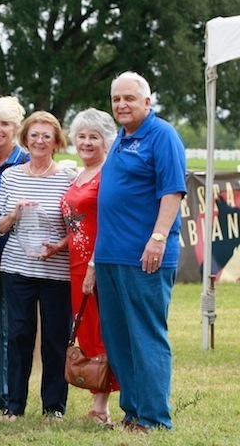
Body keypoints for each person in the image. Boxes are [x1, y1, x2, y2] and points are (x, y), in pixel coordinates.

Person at [93, 72, 186, 432]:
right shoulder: (121, 139)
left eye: (130, 98)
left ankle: (154, 418)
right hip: (110, 256)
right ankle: (132, 412)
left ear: (148, 102)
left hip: (145, 255)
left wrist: (159, 237)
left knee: (146, 335)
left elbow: (173, 191)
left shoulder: (162, 135)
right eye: (116, 99)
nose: (121, 105)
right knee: (118, 339)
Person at [0, 110, 75, 422]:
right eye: (34, 135)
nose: (39, 141)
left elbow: (77, 228)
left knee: (55, 338)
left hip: (56, 271)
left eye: (46, 136)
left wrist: (60, 247)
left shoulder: (69, 178)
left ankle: (54, 407)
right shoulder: (11, 176)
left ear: (56, 142)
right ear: (25, 139)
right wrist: (13, 215)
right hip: (17, 268)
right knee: (19, 336)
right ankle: (14, 405)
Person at [60, 108, 120, 426]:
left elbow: (109, 223)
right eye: (81, 136)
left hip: (97, 263)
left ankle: (102, 407)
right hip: (75, 263)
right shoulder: (79, 174)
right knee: (88, 331)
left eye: (93, 136)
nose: (86, 142)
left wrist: (94, 265)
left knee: (100, 334)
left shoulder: (107, 174)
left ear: (106, 140)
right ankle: (99, 405)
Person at [0, 96, 29, 412]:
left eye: (5, 124)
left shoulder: (25, 163)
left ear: (17, 128)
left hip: (14, 257)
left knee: (14, 330)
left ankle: (11, 393)